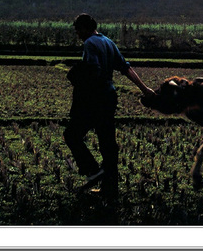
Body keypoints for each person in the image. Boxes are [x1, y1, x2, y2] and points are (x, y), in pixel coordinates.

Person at [63, 13, 155, 199]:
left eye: (78, 30)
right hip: (109, 97)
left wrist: (79, 78)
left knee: (72, 134)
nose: (78, 34)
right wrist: (144, 89)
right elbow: (126, 68)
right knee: (108, 144)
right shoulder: (108, 42)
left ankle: (92, 170)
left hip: (95, 98)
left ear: (85, 28)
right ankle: (109, 189)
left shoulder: (90, 43)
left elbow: (93, 71)